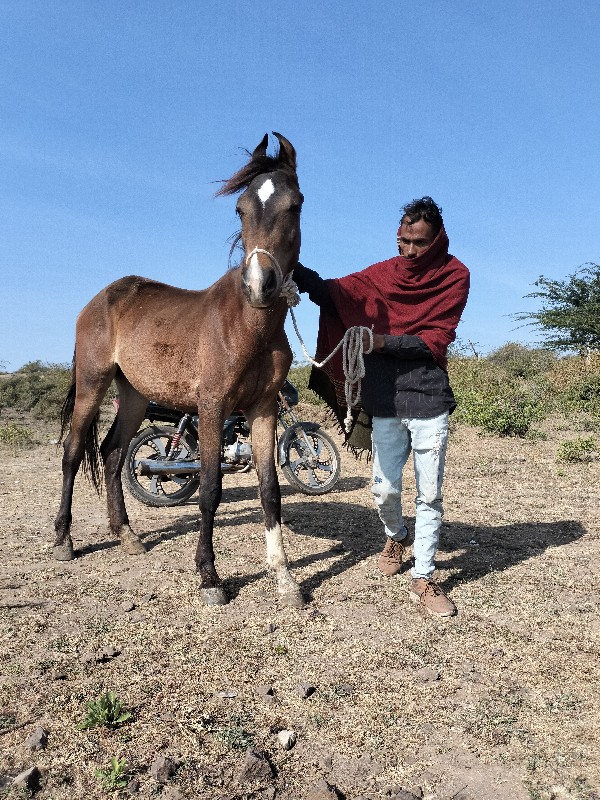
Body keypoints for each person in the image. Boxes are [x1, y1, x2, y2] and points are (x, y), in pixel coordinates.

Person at [294, 197, 470, 617]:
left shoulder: (455, 276)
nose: (408, 251)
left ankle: (423, 578)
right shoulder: (380, 275)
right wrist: (288, 263)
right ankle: (396, 534)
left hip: (427, 398)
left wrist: (383, 342)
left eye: (418, 243)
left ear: (437, 239)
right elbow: (331, 293)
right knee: (384, 489)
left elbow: (436, 340)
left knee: (430, 494)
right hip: (384, 399)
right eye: (402, 241)